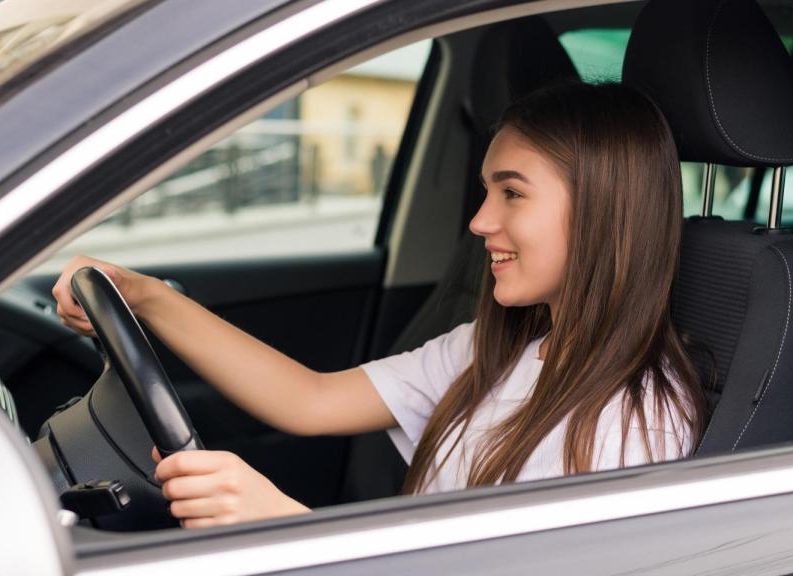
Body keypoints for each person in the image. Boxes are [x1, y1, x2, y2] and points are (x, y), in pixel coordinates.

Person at [53, 81, 708, 528]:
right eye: (485, 192)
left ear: (601, 212)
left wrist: (284, 525)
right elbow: (308, 399)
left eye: (512, 194)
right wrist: (141, 296)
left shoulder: (634, 423)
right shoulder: (498, 348)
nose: (479, 222)